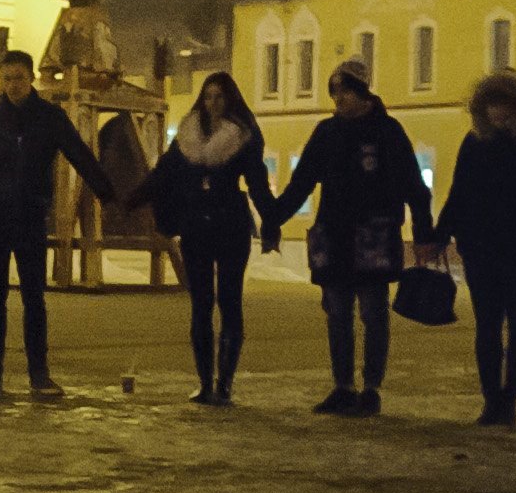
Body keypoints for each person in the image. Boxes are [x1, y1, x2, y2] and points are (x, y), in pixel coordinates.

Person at [264, 58, 433, 415]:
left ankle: (371, 387)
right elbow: (302, 183)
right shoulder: (327, 132)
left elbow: (414, 187)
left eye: (343, 90)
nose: (337, 98)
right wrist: (273, 218)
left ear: (361, 91)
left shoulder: (388, 132)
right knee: (337, 312)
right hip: (335, 234)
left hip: (375, 234)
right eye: (334, 91)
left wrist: (423, 234)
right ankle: (342, 385)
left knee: (374, 312)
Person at [0, 50, 113, 399]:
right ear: (1, 80)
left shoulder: (49, 118)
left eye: (19, 78)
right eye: (7, 78)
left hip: (30, 217)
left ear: (30, 79)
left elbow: (80, 154)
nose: (13, 85)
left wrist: (108, 193)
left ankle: (39, 374)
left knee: (33, 298)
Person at [430, 71, 516, 426]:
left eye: (503, 103)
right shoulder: (474, 143)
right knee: (487, 325)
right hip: (480, 247)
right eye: (490, 104)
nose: (496, 111)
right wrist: (440, 233)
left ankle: (511, 396)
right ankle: (493, 398)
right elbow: (459, 192)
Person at [152, 71, 282, 403]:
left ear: (230, 100)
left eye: (219, 97)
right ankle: (204, 382)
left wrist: (272, 219)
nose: (212, 104)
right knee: (200, 304)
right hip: (196, 224)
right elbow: (164, 172)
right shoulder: (187, 134)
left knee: (229, 301)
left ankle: (224, 382)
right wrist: (128, 199)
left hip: (230, 224)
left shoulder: (243, 136)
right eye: (208, 97)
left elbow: (256, 181)